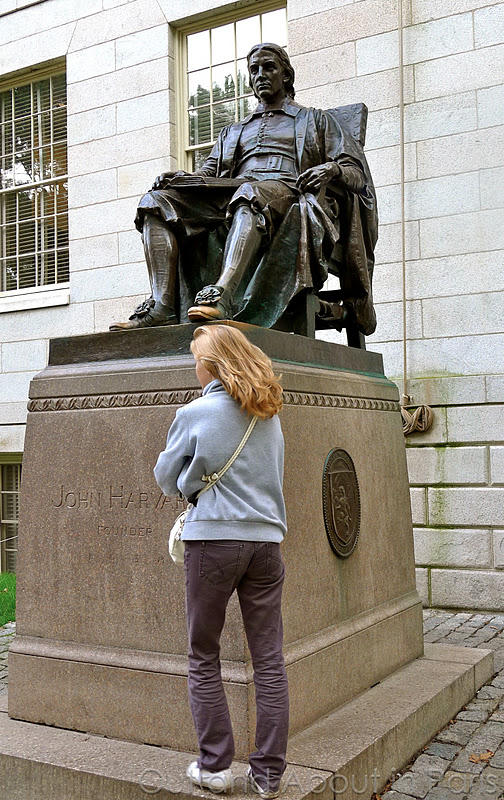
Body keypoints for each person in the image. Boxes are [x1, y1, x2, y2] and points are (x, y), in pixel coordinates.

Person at [110, 43, 377, 337]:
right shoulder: (234, 131)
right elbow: (209, 174)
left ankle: (223, 294)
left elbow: (356, 175)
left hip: (287, 192)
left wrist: (331, 169)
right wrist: (181, 178)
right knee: (156, 202)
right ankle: (162, 307)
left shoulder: (316, 120)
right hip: (232, 193)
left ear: (286, 76)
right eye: (254, 69)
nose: (260, 74)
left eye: (269, 67)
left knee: (249, 194)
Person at [153, 323, 288, 797]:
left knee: (203, 654)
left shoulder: (194, 412)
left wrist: (194, 473)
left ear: (210, 364)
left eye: (196, 358)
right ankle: (268, 776)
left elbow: (166, 480)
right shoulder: (267, 414)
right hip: (267, 546)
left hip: (213, 544)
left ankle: (214, 768)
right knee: (269, 659)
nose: (194, 365)